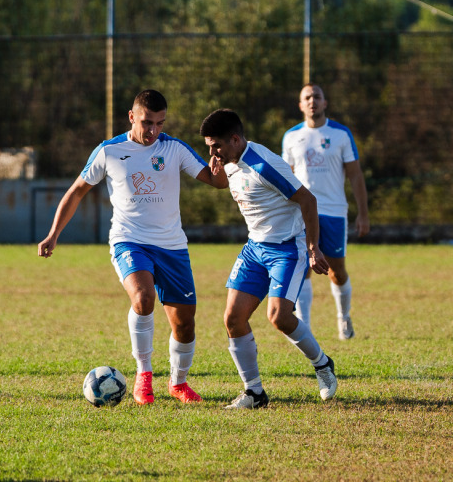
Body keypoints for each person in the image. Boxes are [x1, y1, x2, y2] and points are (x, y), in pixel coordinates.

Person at [38, 90, 228, 405]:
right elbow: (76, 191)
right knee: (143, 298)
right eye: (146, 122)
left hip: (172, 246)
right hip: (129, 240)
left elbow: (216, 182)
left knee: (184, 323)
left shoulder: (174, 148)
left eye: (159, 123)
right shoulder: (109, 151)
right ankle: (144, 375)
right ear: (131, 117)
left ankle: (178, 383)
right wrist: (53, 233)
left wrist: (221, 167)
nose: (153, 130)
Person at [199, 108, 337, 409]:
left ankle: (322, 364)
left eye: (216, 146)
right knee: (233, 318)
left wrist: (313, 248)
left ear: (235, 139)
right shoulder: (229, 161)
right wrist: (218, 170)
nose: (212, 153)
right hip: (255, 249)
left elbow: (308, 200)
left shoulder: (263, 165)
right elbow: (224, 182)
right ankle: (254, 393)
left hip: (287, 248)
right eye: (209, 146)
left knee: (279, 317)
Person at [282, 83, 369, 340]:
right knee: (303, 268)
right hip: (301, 213)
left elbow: (355, 175)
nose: (312, 101)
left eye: (317, 96)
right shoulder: (291, 136)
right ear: (301, 105)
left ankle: (344, 317)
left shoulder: (341, 134)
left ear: (325, 102)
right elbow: (285, 179)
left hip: (333, 213)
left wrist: (363, 213)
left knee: (336, 271)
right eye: (307, 97)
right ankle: (305, 328)